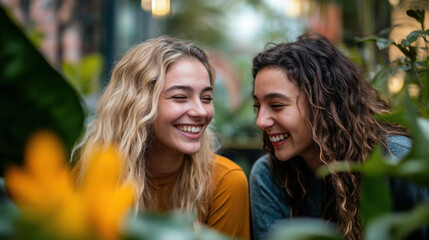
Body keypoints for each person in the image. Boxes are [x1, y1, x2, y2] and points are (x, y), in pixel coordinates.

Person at [250, 32, 429, 240]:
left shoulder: (395, 158)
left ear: (322, 104)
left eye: (277, 105)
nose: (260, 121)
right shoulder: (270, 176)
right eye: (257, 106)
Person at [73, 36, 250, 240]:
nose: (201, 111)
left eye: (206, 98)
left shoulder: (225, 182)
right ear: (139, 104)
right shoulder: (90, 174)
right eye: (180, 97)